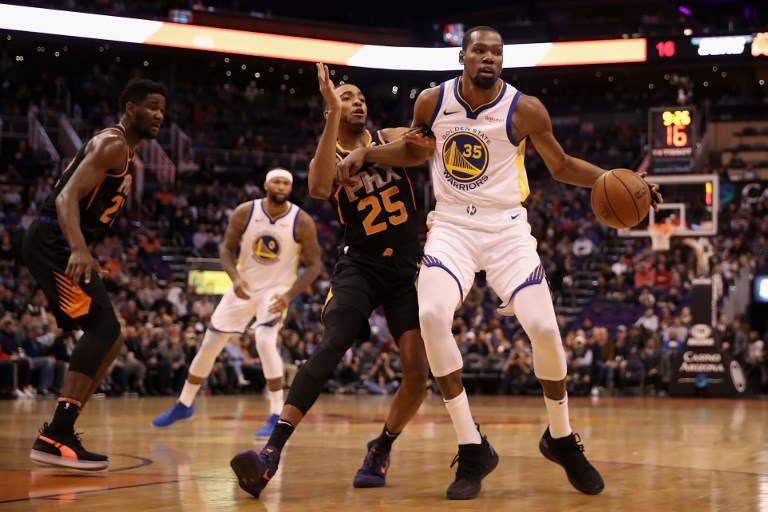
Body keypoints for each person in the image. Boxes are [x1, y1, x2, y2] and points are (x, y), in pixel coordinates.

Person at [337, 26, 663, 499]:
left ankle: (561, 438)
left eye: (497, 52)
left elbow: (562, 165)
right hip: (451, 227)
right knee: (430, 316)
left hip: (507, 229)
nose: (489, 58)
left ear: (502, 60)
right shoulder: (431, 101)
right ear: (463, 56)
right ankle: (472, 447)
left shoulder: (525, 108)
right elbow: (414, 149)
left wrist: (623, 179)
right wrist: (367, 151)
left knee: (547, 331)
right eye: (480, 51)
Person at [228, 63, 430, 497]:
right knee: (333, 342)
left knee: (417, 372)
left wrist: (366, 155)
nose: (356, 102)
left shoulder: (389, 135)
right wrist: (333, 117)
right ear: (331, 111)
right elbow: (320, 188)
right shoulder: (328, 151)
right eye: (346, 98)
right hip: (360, 265)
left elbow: (422, 151)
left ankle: (381, 447)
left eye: (359, 97)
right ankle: (270, 454)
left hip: (406, 271)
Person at [24, 78, 167, 470]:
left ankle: (61, 430)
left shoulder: (126, 154)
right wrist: (78, 248)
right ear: (131, 108)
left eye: (163, 110)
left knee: (113, 339)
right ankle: (56, 434)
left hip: (57, 239)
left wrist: (82, 245)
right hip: (51, 239)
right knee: (104, 331)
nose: (159, 115)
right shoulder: (114, 144)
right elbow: (66, 197)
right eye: (152, 107)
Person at [152, 168, 322, 436]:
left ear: (290, 188)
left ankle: (277, 413)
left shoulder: (302, 221)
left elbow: (314, 266)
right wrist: (235, 278)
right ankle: (184, 403)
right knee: (210, 345)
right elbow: (226, 250)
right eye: (276, 181)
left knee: (265, 342)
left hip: (276, 290)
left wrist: (288, 296)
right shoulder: (245, 212)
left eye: (286, 183)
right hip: (243, 285)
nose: (281, 186)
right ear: (266, 184)